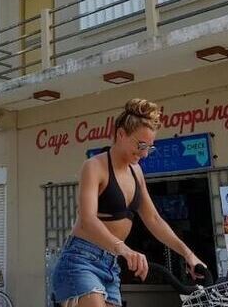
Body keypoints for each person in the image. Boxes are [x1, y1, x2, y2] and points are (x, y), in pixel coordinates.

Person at [51, 98, 205, 307]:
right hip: (81, 260)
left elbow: (153, 219)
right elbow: (87, 219)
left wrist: (189, 255)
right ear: (121, 134)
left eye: (149, 148)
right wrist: (124, 249)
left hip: (110, 264)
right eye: (140, 145)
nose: (144, 153)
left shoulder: (137, 172)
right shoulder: (94, 166)